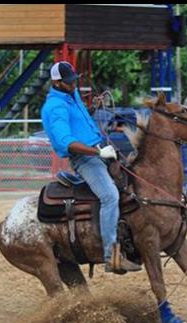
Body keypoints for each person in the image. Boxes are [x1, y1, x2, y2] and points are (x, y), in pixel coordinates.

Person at [41, 61, 141, 273]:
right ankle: (111, 256)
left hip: (99, 149)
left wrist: (92, 108)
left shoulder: (71, 94)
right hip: (85, 159)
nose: (73, 85)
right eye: (69, 82)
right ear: (56, 82)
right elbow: (67, 142)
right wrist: (98, 153)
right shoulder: (55, 107)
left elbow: (78, 119)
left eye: (74, 81)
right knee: (110, 196)